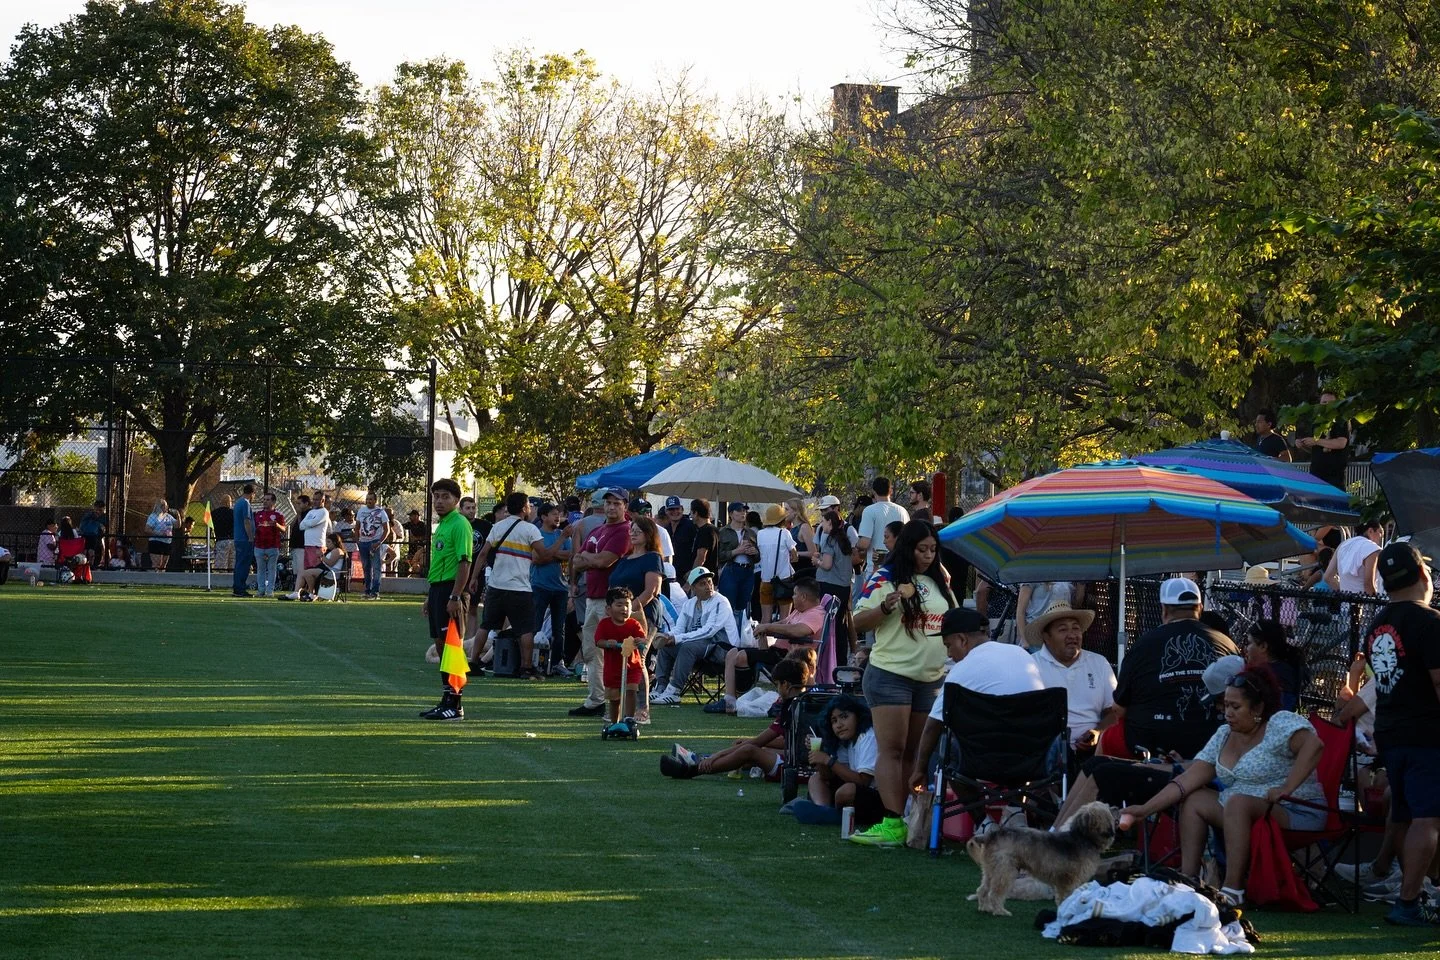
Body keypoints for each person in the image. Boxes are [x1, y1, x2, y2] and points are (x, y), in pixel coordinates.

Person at [1118, 667, 1325, 908]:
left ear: (1257, 708)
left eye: (1235, 707)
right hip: (1244, 810)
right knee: (1195, 799)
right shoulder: (1224, 734)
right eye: (1225, 705)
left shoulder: (1279, 723)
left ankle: (1232, 889)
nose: (1227, 713)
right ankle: (1189, 881)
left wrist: (1287, 787)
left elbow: (1315, 746)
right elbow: (1187, 780)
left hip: (1295, 809)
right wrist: (1144, 809)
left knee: (1237, 801)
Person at [848, 519, 956, 847]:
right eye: (922, 549)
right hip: (890, 674)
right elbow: (857, 620)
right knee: (892, 750)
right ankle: (892, 821)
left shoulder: (941, 581)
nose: (927, 555)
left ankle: (911, 816)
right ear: (907, 547)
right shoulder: (885, 577)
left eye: (933, 550)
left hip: (931, 678)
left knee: (915, 753)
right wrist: (885, 605)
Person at [1363, 542, 1440, 926]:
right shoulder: (1431, 623)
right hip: (1428, 733)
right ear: (1424, 575)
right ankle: (1409, 902)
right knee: (1428, 820)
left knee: (1409, 816)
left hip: (1390, 731)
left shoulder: (1376, 624)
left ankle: (1417, 891)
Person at [907, 607, 1046, 800]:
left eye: (948, 645)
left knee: (950, 750)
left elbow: (933, 726)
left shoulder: (962, 670)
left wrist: (919, 770)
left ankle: (984, 821)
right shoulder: (1022, 655)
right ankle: (1016, 811)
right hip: (1039, 757)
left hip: (985, 761)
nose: (949, 654)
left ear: (962, 640)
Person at [1113, 577, 1241, 760]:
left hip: (1149, 744)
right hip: (1213, 745)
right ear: (1200, 609)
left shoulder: (1142, 645)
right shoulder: (1226, 643)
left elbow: (1119, 708)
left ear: (1164, 609)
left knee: (1107, 739)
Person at [660, 657, 811, 780]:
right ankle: (702, 760)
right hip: (806, 763)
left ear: (786, 684)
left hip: (796, 767)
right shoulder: (810, 702)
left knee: (749, 750)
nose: (777, 689)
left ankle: (694, 769)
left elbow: (759, 742)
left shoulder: (792, 707)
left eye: (777, 684)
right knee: (750, 750)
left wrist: (718, 755)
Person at [708, 578, 826, 715]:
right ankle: (730, 699)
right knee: (732, 653)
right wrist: (764, 628)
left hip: (790, 657)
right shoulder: (800, 611)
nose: (792, 597)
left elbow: (799, 631)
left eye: (794, 594)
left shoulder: (816, 614)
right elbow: (784, 623)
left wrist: (768, 626)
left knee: (740, 656)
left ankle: (735, 702)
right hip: (776, 651)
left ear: (804, 597)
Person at [568, 488, 632, 718]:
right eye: (608, 503)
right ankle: (595, 701)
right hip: (592, 597)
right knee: (591, 651)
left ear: (625, 506)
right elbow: (575, 561)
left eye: (617, 503)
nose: (611, 507)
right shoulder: (598, 530)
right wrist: (589, 560)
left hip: (612, 600)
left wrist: (589, 560)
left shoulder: (625, 531)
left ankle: (616, 701)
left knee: (612, 652)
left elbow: (606, 561)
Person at [1029, 600, 1118, 759]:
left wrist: (1098, 732)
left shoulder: (1098, 662)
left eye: (1076, 628)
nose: (1072, 635)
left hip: (1093, 751)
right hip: (1046, 751)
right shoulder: (1031, 666)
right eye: (1062, 629)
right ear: (1046, 637)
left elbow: (1114, 712)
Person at [472, 492, 547, 680]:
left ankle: (473, 662)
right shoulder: (531, 530)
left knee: (486, 624)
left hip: (496, 585)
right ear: (524, 508)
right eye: (528, 505)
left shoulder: (498, 527)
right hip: (520, 588)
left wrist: (474, 578)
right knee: (525, 629)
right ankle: (526, 667)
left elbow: (483, 554)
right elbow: (543, 555)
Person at [417, 478, 474, 721]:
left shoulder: (459, 524)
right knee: (442, 645)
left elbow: (464, 562)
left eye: (445, 497)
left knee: (452, 647)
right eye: (436, 496)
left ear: (456, 500)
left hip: (452, 590)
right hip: (439, 590)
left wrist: (455, 596)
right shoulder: (442, 525)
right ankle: (447, 699)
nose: (439, 501)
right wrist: (432, 596)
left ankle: (456, 704)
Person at [650, 566, 740, 705]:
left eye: (709, 581)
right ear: (693, 588)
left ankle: (674, 691)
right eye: (702, 584)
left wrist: (677, 639)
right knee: (666, 646)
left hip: (723, 649)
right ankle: (660, 687)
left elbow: (709, 631)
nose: (708, 586)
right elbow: (679, 629)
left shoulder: (720, 601)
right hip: (702, 648)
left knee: (687, 647)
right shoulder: (689, 604)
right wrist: (667, 636)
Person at [806, 694, 882, 826]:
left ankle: (831, 815)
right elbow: (828, 776)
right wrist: (819, 756)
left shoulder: (867, 736)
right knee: (816, 778)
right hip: (854, 792)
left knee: (846, 791)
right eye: (834, 721)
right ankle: (824, 810)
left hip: (878, 797)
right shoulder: (846, 740)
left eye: (844, 717)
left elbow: (863, 781)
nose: (839, 725)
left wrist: (828, 760)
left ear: (858, 716)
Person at [807, 495, 857, 661]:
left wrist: (817, 561)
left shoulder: (830, 539)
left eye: (824, 520)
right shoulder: (844, 539)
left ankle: (828, 658)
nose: (821, 524)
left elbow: (827, 564)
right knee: (841, 624)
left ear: (830, 522)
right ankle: (841, 658)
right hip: (843, 586)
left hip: (829, 585)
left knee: (828, 624)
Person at [595, 586, 648, 724]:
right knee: (614, 698)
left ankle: (629, 718)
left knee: (631, 690)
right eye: (619, 605)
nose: (624, 609)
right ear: (608, 609)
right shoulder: (604, 624)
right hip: (613, 668)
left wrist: (640, 641)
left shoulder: (634, 624)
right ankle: (614, 722)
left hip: (632, 666)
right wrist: (608, 643)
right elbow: (598, 641)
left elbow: (643, 639)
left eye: (627, 605)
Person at [531, 502, 573, 676]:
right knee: (536, 624)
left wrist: (548, 553)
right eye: (554, 514)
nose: (558, 517)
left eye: (559, 514)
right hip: (539, 585)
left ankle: (557, 662)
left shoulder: (563, 535)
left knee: (559, 628)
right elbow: (537, 559)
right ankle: (532, 661)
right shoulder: (537, 535)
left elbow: (570, 555)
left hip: (561, 587)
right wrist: (560, 542)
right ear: (543, 517)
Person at [715, 501, 759, 636]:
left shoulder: (751, 532)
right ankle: (727, 637)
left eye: (744, 511)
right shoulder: (722, 532)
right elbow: (718, 556)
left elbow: (758, 557)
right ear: (731, 514)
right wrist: (736, 551)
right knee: (728, 606)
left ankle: (740, 636)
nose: (743, 513)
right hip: (730, 570)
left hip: (748, 571)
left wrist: (754, 552)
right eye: (739, 510)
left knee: (743, 607)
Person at [1242, 619, 1305, 710]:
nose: (1246, 648)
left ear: (1263, 646)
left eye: (1249, 643)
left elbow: (1280, 711)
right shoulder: (1279, 669)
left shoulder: (1280, 675)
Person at [855, 477, 909, 577]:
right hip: (899, 566)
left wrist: (856, 545)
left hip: (876, 568)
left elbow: (864, 543)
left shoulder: (869, 511)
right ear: (890, 490)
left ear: (874, 492)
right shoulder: (903, 511)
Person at [1297, 389, 1351, 490]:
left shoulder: (1340, 421)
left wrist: (1316, 441)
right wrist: (1303, 444)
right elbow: (1315, 449)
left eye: (1331, 403)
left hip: (1334, 476)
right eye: (1324, 402)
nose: (1327, 406)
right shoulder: (1317, 422)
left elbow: (1341, 443)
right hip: (1316, 474)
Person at [756, 503, 798, 624]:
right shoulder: (784, 533)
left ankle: (763, 643)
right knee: (785, 619)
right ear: (782, 519)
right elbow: (795, 556)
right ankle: (781, 643)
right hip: (784, 579)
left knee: (765, 619)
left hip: (765, 579)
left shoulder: (760, 534)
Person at [282, 532, 346, 601]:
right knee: (302, 573)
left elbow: (331, 563)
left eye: (329, 542)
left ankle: (312, 593)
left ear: (335, 542)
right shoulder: (331, 551)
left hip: (331, 573)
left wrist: (321, 555)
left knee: (307, 573)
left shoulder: (337, 551)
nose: (327, 544)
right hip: (326, 570)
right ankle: (297, 592)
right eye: (326, 541)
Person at [1326, 521, 1384, 595]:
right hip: (1364, 603)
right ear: (1370, 531)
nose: (1381, 537)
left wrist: (1345, 593)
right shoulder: (1372, 548)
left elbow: (1328, 577)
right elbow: (1368, 584)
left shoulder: (1342, 545)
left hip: (1346, 603)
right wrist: (1374, 604)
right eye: (1380, 532)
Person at [1015, 581, 1076, 650]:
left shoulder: (1065, 576)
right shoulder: (1031, 574)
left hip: (1060, 635)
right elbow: (1020, 611)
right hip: (1036, 635)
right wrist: (1025, 640)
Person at [355, 491, 390, 600]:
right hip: (363, 542)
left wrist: (379, 542)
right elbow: (357, 527)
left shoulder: (381, 512)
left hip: (374, 542)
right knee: (366, 567)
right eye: (367, 499)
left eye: (371, 499)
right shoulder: (361, 510)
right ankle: (367, 591)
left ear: (375, 500)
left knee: (376, 567)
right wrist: (358, 541)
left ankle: (375, 592)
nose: (369, 501)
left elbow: (387, 529)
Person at [252, 492, 286, 597]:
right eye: (264, 499)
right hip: (259, 545)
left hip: (273, 546)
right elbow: (254, 528)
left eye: (268, 500)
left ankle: (270, 591)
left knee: (272, 569)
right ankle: (261, 590)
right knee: (260, 569)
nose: (265, 502)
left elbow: (284, 529)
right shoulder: (257, 514)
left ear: (273, 502)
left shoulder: (278, 515)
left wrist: (277, 525)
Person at [663, 496, 698, 584]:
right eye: (671, 509)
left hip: (688, 576)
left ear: (682, 509)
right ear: (666, 511)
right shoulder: (666, 529)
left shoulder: (691, 526)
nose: (675, 512)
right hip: (671, 576)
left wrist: (692, 571)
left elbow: (699, 551)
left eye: (677, 508)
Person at [232, 483, 256, 598]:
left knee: (239, 563)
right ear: (252, 493)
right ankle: (240, 588)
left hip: (238, 537)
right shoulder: (246, 503)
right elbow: (247, 521)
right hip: (244, 538)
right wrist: (250, 536)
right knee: (244, 564)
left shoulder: (237, 503)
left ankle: (237, 586)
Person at [300, 493, 331, 570]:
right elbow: (301, 526)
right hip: (308, 544)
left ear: (322, 500)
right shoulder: (311, 512)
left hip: (317, 545)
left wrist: (308, 523)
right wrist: (310, 523)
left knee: (314, 570)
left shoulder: (324, 512)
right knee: (307, 570)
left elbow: (312, 523)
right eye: (313, 499)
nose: (314, 501)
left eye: (317, 499)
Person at [688, 499, 718, 581]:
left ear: (696, 513)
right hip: (713, 577)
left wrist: (690, 580)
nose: (691, 516)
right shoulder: (715, 529)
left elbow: (701, 557)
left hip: (702, 579)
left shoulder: (704, 531)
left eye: (691, 512)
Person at [146, 500, 175, 571]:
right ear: (161, 507)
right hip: (156, 541)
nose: (167, 507)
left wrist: (178, 515)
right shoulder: (153, 516)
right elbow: (147, 529)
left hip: (166, 542)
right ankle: (155, 578)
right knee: (157, 564)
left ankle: (162, 578)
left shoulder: (168, 516)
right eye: (165, 506)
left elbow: (177, 525)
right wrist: (159, 533)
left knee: (163, 564)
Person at [78, 500, 107, 567]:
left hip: (97, 537)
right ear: (94, 508)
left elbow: (104, 528)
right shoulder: (89, 515)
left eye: (100, 510)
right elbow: (82, 526)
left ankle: (92, 563)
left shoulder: (104, 517)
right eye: (97, 509)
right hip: (87, 535)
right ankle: (85, 563)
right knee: (87, 550)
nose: (98, 512)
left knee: (96, 549)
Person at [288, 494, 310, 581]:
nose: (297, 505)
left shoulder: (309, 513)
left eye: (299, 503)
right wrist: (297, 515)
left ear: (306, 504)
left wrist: (300, 515)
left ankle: (302, 588)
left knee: (301, 569)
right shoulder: (299, 514)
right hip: (295, 544)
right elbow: (292, 526)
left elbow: (302, 527)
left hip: (302, 545)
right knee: (296, 569)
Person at [211, 495, 235, 572]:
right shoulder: (233, 513)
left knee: (221, 565)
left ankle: (222, 579)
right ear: (229, 502)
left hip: (221, 539)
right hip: (232, 539)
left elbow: (210, 527)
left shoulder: (214, 513)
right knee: (232, 563)